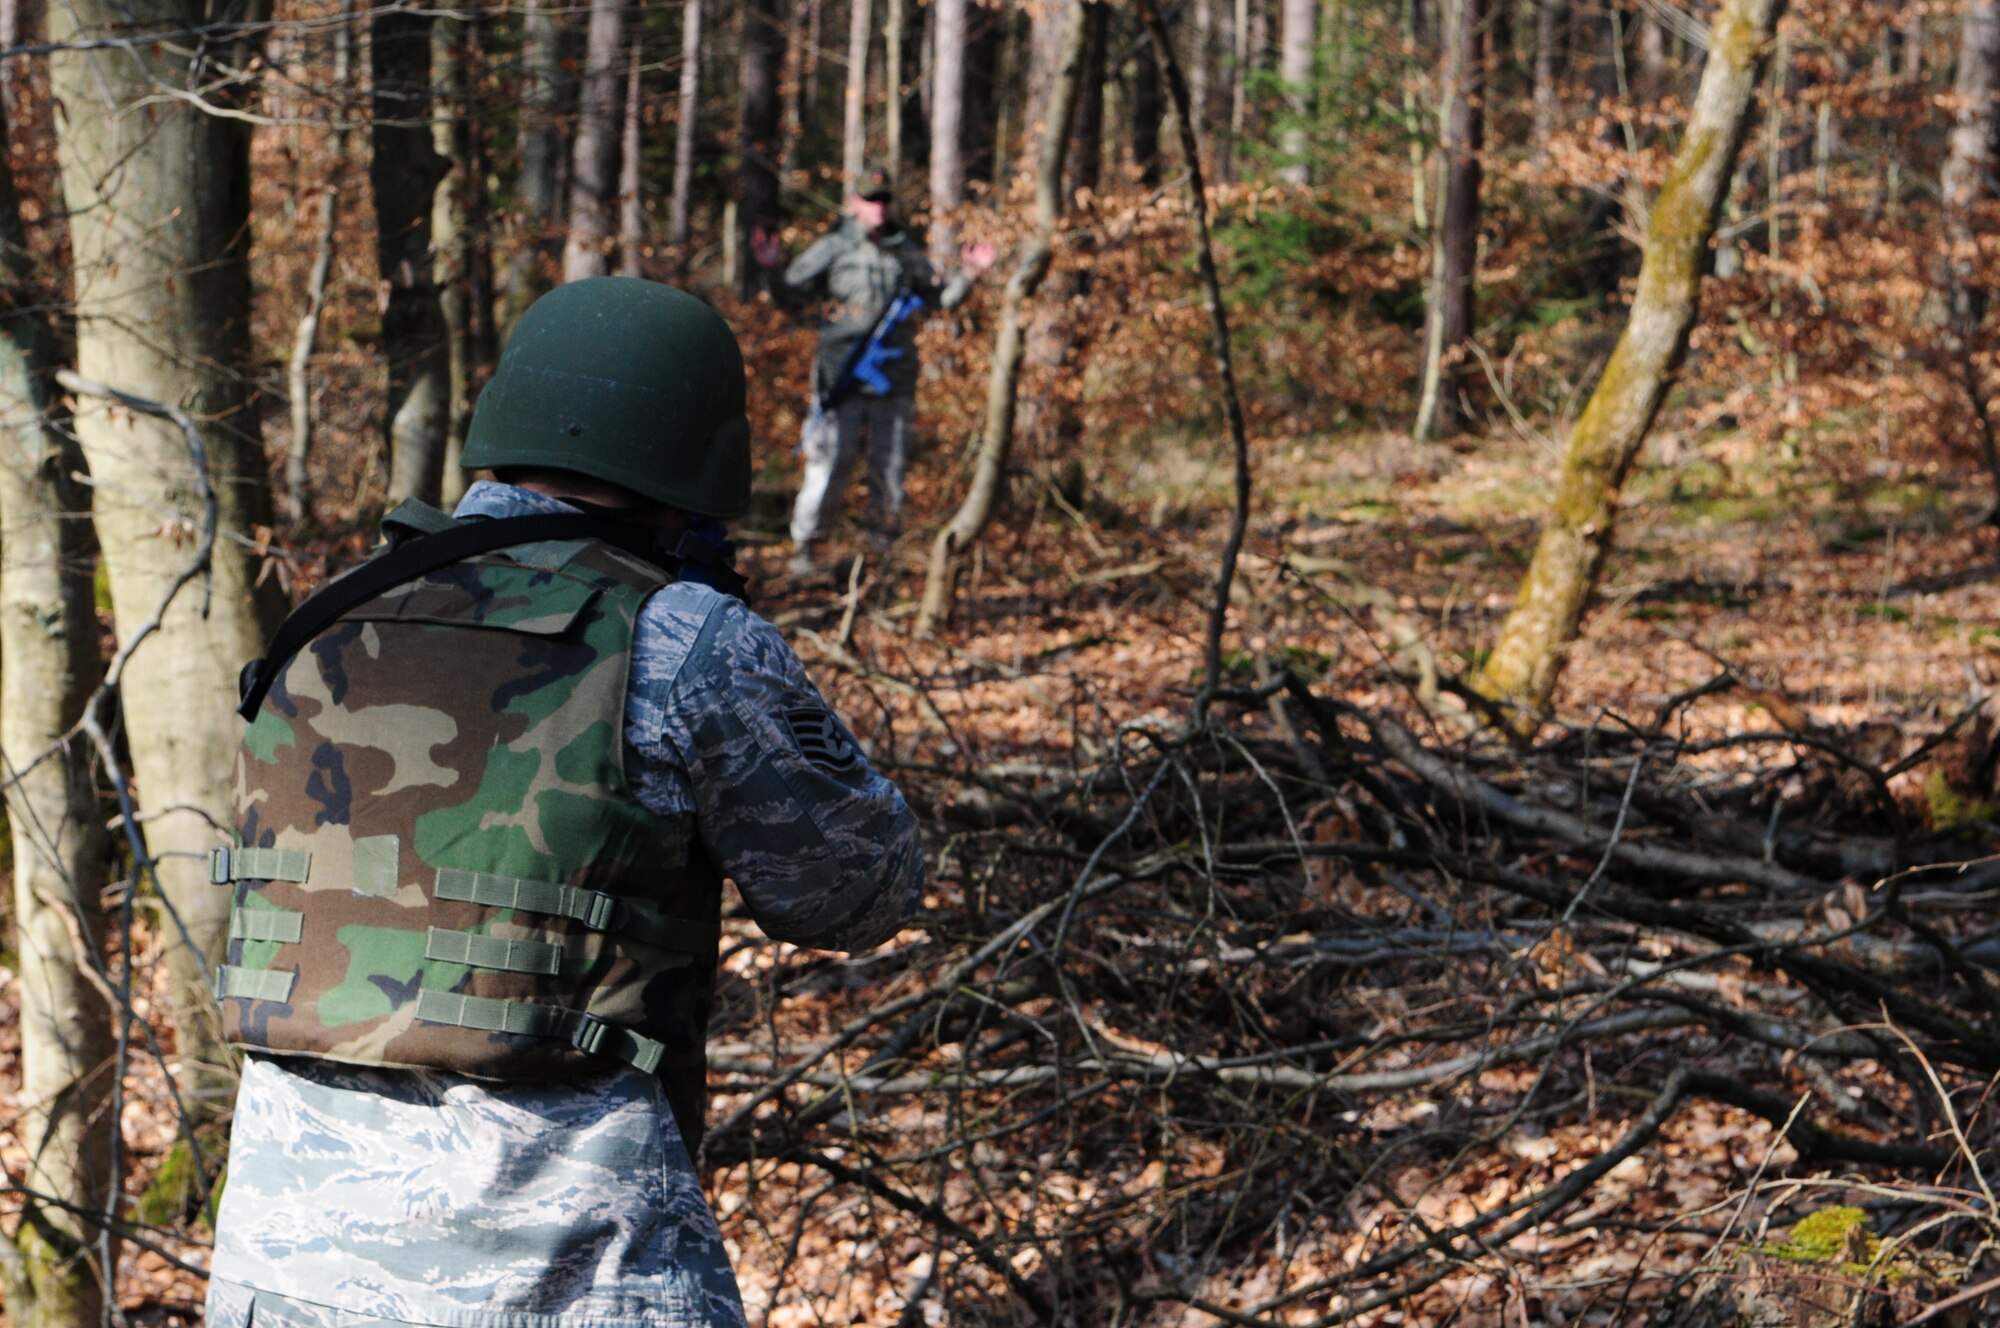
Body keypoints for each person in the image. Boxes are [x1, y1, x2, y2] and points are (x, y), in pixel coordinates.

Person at [204, 277, 923, 1328]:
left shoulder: (326, 618)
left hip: (280, 1269)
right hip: (563, 1278)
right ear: (700, 458)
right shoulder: (681, 638)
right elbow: (856, 892)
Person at [751, 165, 996, 575]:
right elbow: (790, 299)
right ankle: (807, 549)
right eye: (870, 199)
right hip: (839, 377)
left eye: (884, 200)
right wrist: (772, 268)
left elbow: (940, 300)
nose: (878, 208)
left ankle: (882, 554)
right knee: (830, 463)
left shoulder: (906, 253)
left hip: (894, 381)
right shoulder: (833, 248)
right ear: (853, 204)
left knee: (890, 467)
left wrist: (971, 273)